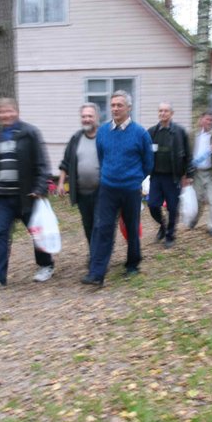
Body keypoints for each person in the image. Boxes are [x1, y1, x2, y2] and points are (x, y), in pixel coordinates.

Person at [0, 98, 55, 293]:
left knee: (37, 233)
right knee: (1, 235)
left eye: (9, 111)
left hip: (27, 196)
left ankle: (46, 265)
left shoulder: (30, 133)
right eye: (2, 112)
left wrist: (40, 188)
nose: (6, 115)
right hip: (3, 198)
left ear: (17, 111)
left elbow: (42, 164)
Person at [82, 91, 154, 286]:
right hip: (108, 189)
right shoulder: (103, 132)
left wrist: (135, 179)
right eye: (112, 105)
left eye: (119, 105)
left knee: (131, 227)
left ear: (129, 108)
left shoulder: (140, 133)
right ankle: (97, 273)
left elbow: (148, 163)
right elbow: (102, 157)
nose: (115, 108)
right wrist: (109, 174)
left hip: (131, 190)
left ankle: (133, 263)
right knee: (102, 228)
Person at [146, 102, 193, 249]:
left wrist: (189, 174)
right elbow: (145, 153)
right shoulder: (151, 132)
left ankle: (170, 236)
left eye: (166, 111)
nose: (163, 113)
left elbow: (188, 154)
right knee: (153, 205)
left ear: (171, 114)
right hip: (156, 176)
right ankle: (163, 225)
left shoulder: (180, 132)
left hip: (173, 177)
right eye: (160, 111)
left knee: (172, 208)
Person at [57, 103, 100, 256]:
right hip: (82, 193)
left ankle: (99, 256)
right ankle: (94, 253)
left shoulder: (104, 137)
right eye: (83, 116)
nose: (86, 119)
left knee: (100, 225)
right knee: (88, 226)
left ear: (97, 117)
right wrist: (61, 183)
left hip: (102, 192)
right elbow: (65, 163)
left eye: (90, 116)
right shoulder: (76, 138)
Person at [188, 109, 212, 236]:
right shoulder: (192, 135)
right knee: (197, 201)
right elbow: (187, 154)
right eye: (207, 119)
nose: (210, 122)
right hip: (197, 173)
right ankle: (194, 220)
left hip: (211, 173)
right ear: (201, 120)